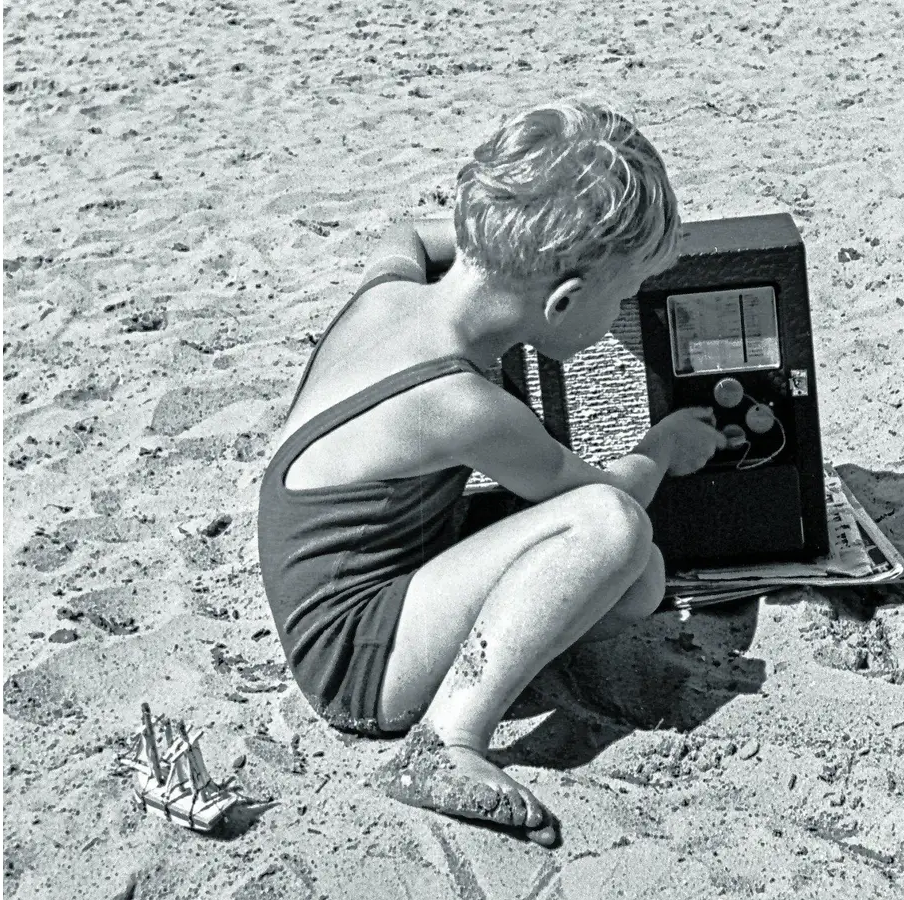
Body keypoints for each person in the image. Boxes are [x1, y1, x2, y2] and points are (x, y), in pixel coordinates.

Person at [256, 100, 732, 846]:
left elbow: (403, 231)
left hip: (374, 585)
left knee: (641, 581)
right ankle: (447, 742)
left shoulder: (395, 293)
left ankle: (476, 687)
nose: (623, 316)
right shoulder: (460, 403)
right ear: (566, 302)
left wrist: (504, 249)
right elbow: (602, 507)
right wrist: (663, 446)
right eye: (623, 298)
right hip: (354, 658)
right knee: (616, 532)